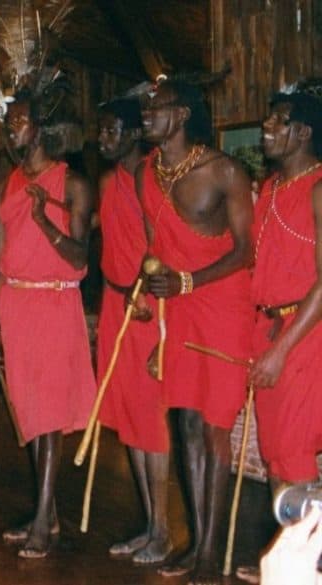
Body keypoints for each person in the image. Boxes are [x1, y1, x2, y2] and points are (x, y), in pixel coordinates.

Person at [137, 79, 254, 584]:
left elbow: (247, 251)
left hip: (222, 308)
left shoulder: (224, 171)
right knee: (184, 425)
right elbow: (154, 244)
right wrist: (150, 293)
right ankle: (194, 539)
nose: (146, 116)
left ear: (181, 115)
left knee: (212, 429)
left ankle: (210, 551)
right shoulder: (150, 171)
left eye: (155, 110)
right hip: (177, 311)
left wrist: (188, 280)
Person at [0, 89, 97, 559]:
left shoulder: (72, 183)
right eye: (8, 122)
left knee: (49, 415)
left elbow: (80, 260)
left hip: (54, 307)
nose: (12, 130)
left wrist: (42, 217)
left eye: (20, 122)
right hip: (15, 308)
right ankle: (46, 512)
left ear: (41, 127)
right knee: (30, 415)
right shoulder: (6, 182)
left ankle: (41, 520)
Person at [235, 83, 322, 583]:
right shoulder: (269, 188)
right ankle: (290, 556)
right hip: (269, 331)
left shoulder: (318, 187)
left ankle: (304, 565)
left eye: (277, 122)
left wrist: (282, 349)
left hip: (303, 337)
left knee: (291, 453)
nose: (266, 129)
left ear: (304, 132)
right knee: (275, 456)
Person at [94, 98, 172, 564]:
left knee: (151, 424)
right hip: (112, 303)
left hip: (143, 308)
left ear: (131, 134)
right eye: (100, 130)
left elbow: (160, 246)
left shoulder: (151, 176)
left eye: (110, 130)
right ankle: (148, 525)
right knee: (128, 422)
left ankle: (162, 530)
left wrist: (144, 296)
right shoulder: (109, 181)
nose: (102, 138)